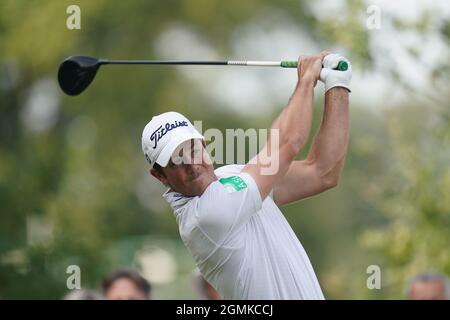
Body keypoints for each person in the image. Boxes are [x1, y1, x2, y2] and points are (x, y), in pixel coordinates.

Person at [141, 52, 351, 299]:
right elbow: (287, 143)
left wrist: (338, 86)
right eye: (176, 159)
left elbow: (322, 172)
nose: (191, 163)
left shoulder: (233, 175)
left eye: (192, 148)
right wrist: (306, 80)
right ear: (160, 176)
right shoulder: (204, 217)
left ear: (204, 143)